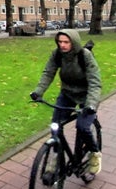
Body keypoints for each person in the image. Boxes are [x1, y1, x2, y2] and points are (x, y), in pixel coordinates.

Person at [29, 29, 102, 174]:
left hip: (87, 95)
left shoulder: (84, 56)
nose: (62, 45)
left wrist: (91, 105)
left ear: (73, 42)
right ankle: (56, 155)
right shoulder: (57, 54)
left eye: (66, 42)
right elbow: (48, 72)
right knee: (55, 126)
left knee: (82, 127)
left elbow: (95, 82)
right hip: (67, 93)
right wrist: (38, 91)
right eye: (60, 42)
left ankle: (95, 153)